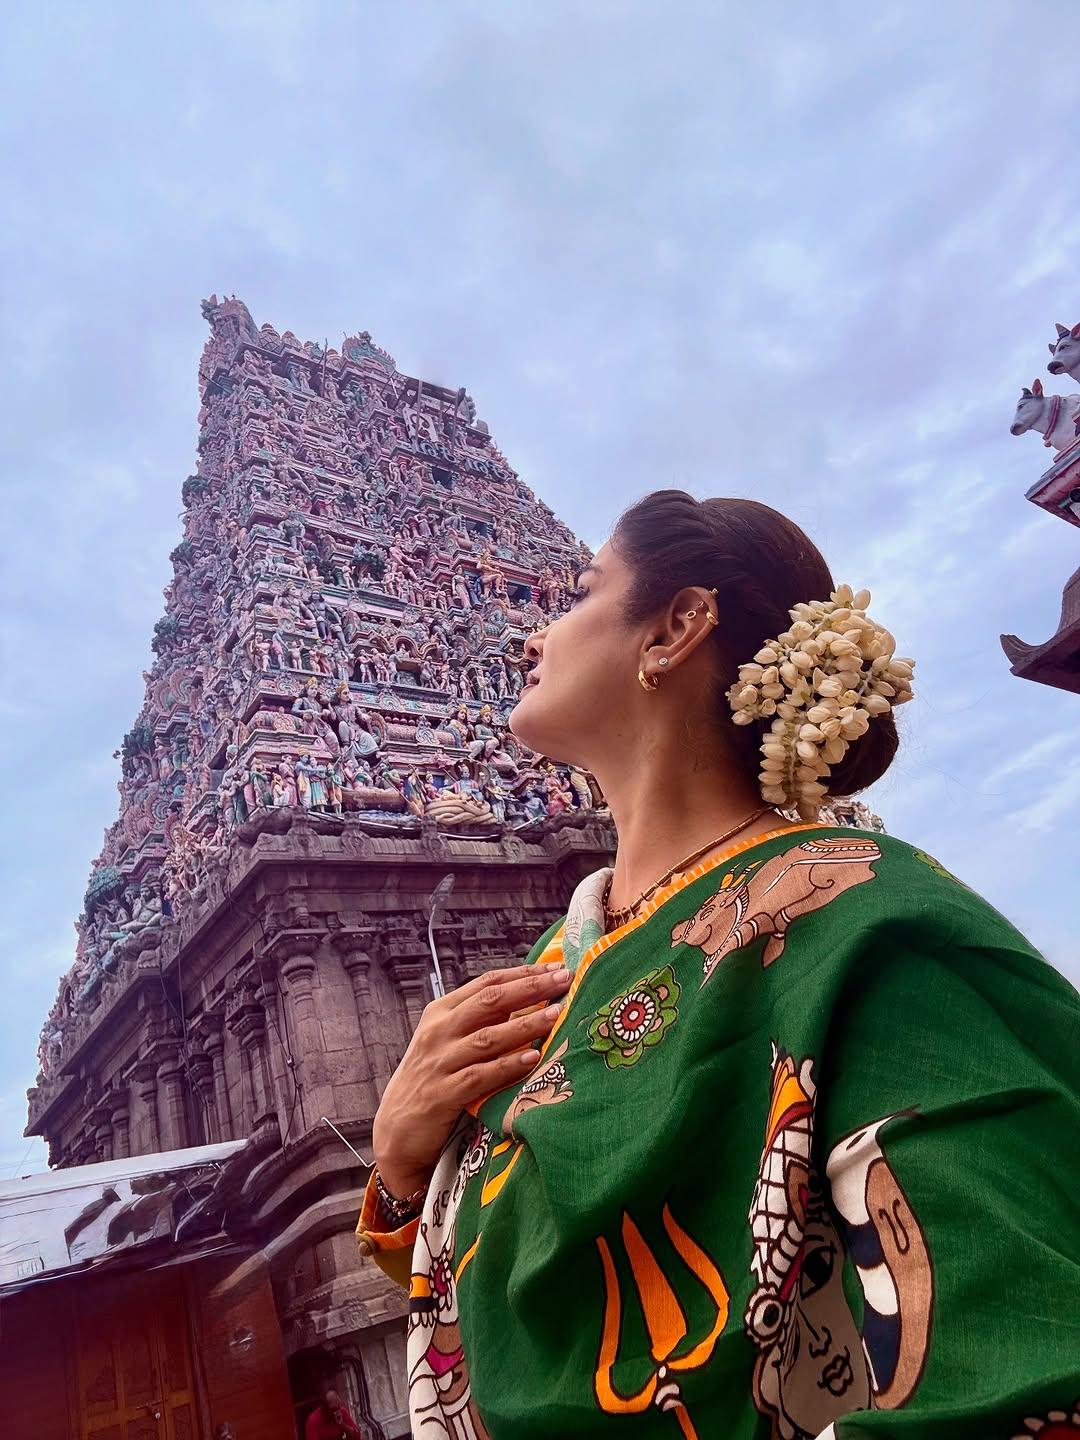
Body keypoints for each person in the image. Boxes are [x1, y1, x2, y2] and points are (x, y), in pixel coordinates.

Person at [357, 490, 1080, 1438]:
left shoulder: (866, 923)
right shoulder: (557, 966)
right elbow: (510, 1290)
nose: (528, 639)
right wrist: (403, 1165)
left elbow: (1016, 1372)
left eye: (579, 594)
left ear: (677, 628)